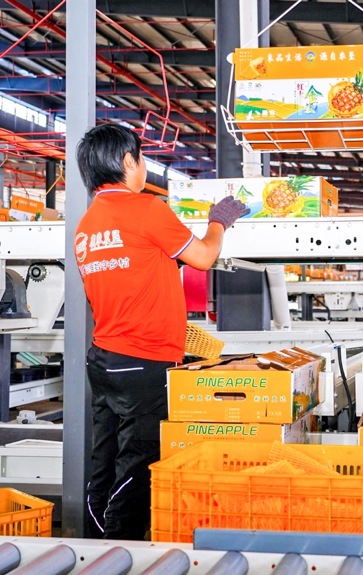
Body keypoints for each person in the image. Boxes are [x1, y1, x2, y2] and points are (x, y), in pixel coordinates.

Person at [73, 124, 248, 540]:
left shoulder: (87, 225)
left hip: (104, 360)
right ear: (128, 161)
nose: (144, 167)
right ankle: (121, 551)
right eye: (142, 158)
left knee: (105, 459)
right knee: (139, 464)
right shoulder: (146, 208)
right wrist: (219, 222)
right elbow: (204, 257)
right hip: (145, 362)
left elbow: (137, 268)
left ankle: (93, 543)